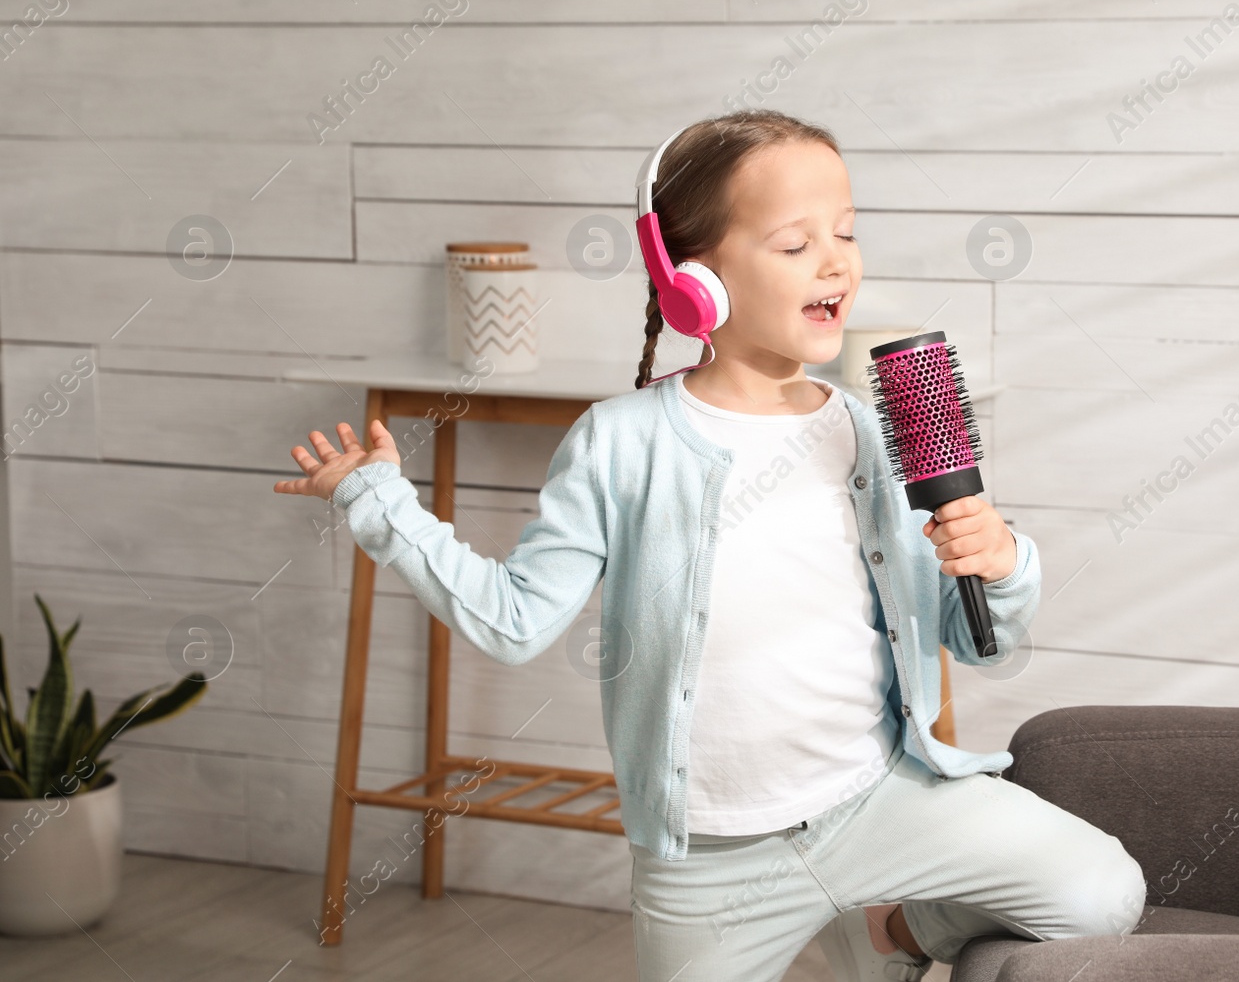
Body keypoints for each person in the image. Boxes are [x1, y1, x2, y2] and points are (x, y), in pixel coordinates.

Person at [273, 109, 1145, 981]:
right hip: (710, 863)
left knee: (1102, 890)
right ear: (695, 281)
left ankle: (895, 931)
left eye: (846, 233)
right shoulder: (620, 442)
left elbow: (977, 643)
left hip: (880, 801)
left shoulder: (876, 437)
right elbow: (514, 619)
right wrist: (379, 500)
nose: (837, 260)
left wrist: (1001, 562)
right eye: (796, 243)